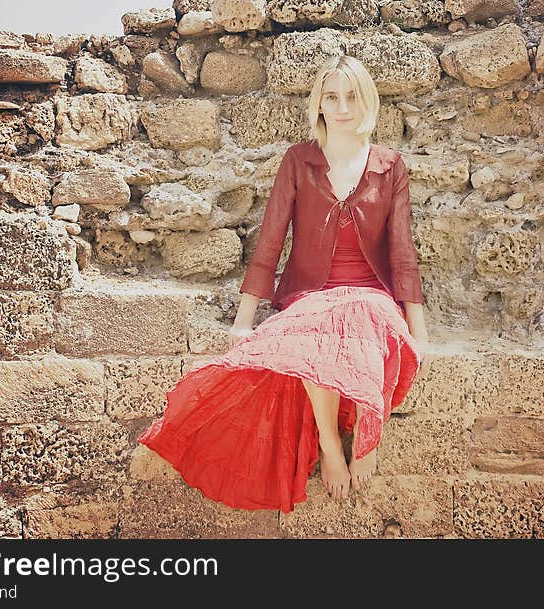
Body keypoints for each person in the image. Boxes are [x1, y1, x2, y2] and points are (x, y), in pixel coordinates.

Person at [137, 55, 430, 513]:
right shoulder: (299, 160)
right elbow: (271, 239)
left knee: (363, 316)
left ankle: (367, 440)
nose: (342, 107)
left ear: (367, 101)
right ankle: (332, 445)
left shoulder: (390, 166)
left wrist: (418, 327)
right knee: (313, 336)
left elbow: (402, 251)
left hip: (370, 292)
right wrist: (244, 320)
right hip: (310, 292)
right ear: (319, 104)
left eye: (351, 96)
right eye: (332, 97)